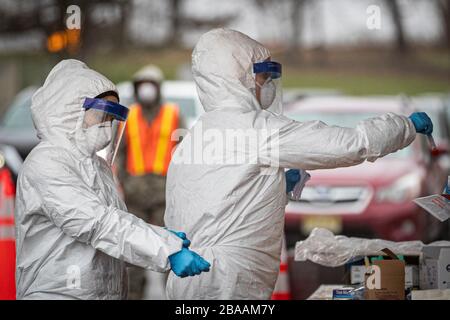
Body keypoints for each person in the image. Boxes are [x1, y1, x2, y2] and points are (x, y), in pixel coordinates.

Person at [164, 28, 433, 299]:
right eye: (262, 76)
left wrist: (278, 188)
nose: (267, 84)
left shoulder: (195, 136)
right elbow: (349, 144)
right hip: (227, 282)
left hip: (191, 279)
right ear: (238, 77)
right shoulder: (255, 130)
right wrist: (406, 126)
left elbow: (227, 207)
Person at [14, 59, 210, 300]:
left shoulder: (96, 167)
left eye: (111, 118)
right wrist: (165, 247)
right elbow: (97, 223)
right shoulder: (47, 163)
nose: (107, 126)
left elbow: (112, 235)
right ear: (71, 111)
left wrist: (157, 236)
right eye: (101, 115)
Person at [115, 65, 183, 298]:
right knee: (135, 249)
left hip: (164, 194)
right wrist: (126, 182)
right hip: (136, 194)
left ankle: (174, 295)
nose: (146, 89)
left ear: (158, 87)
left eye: (150, 84)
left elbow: (183, 151)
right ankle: (134, 294)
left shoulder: (173, 113)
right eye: (141, 84)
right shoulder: (129, 115)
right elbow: (119, 152)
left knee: (172, 246)